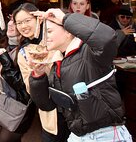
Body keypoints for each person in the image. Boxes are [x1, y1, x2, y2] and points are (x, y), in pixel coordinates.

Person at [29, 8, 132, 141]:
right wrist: (38, 76)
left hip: (105, 134)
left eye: (49, 32)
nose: (45, 37)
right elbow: (47, 105)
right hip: (78, 135)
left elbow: (107, 38)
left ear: (68, 32)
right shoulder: (58, 63)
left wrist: (64, 19)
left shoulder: (90, 53)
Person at [12, 3, 70, 142]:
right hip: (53, 116)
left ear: (39, 18)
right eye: (19, 23)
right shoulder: (24, 53)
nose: (23, 26)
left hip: (77, 109)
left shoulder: (58, 36)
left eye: (27, 20)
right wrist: (37, 74)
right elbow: (31, 89)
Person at [0, 14, 36, 142]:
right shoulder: (5, 44)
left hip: (19, 106)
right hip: (3, 102)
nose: (10, 24)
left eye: (15, 22)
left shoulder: (29, 50)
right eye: (10, 20)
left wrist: (5, 59)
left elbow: (20, 84)